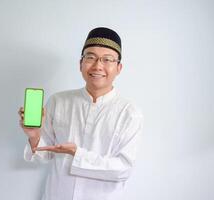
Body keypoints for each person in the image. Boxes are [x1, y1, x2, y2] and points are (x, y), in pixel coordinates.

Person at [18, 27, 143, 200]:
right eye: (90, 57)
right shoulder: (58, 101)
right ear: (80, 64)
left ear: (119, 67)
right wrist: (34, 135)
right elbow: (43, 155)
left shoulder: (129, 112)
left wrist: (78, 154)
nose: (98, 65)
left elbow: (123, 169)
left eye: (107, 59)